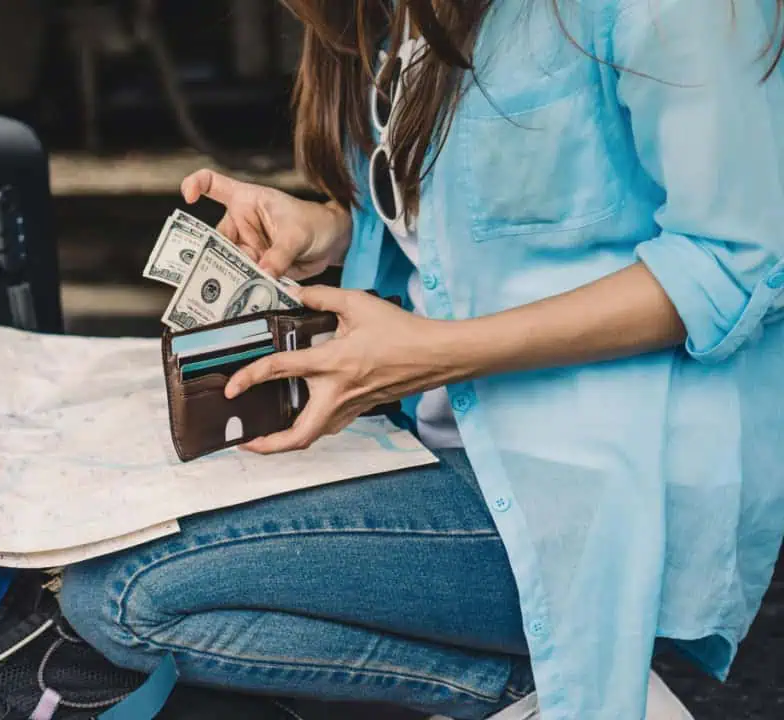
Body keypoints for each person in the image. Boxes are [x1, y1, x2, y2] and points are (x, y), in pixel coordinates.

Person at [58, 1, 784, 718]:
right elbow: (468, 220)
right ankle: (534, 691)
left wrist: (435, 355)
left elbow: (738, 262)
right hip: (443, 434)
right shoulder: (405, 17)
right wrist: (331, 229)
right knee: (86, 559)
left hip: (598, 487)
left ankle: (559, 695)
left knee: (126, 594)